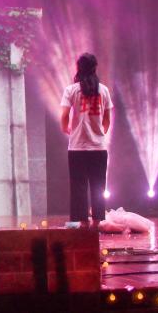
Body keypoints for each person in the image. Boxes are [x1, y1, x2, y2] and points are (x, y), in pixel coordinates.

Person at [60, 53, 114, 228]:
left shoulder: (71, 90)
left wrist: (66, 128)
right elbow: (107, 118)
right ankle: (96, 223)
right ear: (94, 68)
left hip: (77, 147)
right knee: (98, 186)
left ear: (78, 68)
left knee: (78, 186)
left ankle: (83, 223)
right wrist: (101, 133)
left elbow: (64, 115)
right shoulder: (103, 90)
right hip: (98, 147)